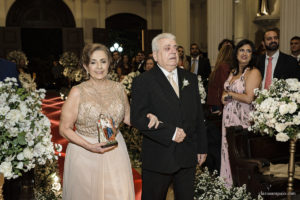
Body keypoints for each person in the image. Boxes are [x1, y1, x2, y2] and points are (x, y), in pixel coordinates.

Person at [59, 43, 159, 200]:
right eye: (93, 62)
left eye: (103, 61)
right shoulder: (77, 91)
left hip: (114, 150)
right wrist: (89, 146)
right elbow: (64, 129)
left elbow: (128, 117)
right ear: (86, 66)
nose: (99, 67)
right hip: (84, 152)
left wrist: (147, 116)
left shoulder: (119, 88)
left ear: (109, 64)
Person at [130, 33, 207, 200]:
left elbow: (198, 116)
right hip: (159, 157)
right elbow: (138, 118)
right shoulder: (143, 81)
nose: (173, 51)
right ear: (156, 56)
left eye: (175, 47)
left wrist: (202, 146)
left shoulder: (190, 79)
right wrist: (170, 133)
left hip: (187, 154)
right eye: (167, 48)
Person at [220, 39, 262, 187]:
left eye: (248, 51)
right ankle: (228, 187)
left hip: (242, 119)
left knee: (239, 153)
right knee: (227, 151)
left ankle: (242, 188)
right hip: (228, 118)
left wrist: (230, 95)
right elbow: (225, 90)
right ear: (236, 52)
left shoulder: (254, 72)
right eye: (241, 50)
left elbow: (249, 98)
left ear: (252, 55)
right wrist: (224, 95)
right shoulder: (233, 72)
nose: (244, 54)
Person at [207, 45, 233, 114]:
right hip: (219, 104)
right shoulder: (224, 66)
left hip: (215, 103)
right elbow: (224, 87)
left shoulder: (219, 66)